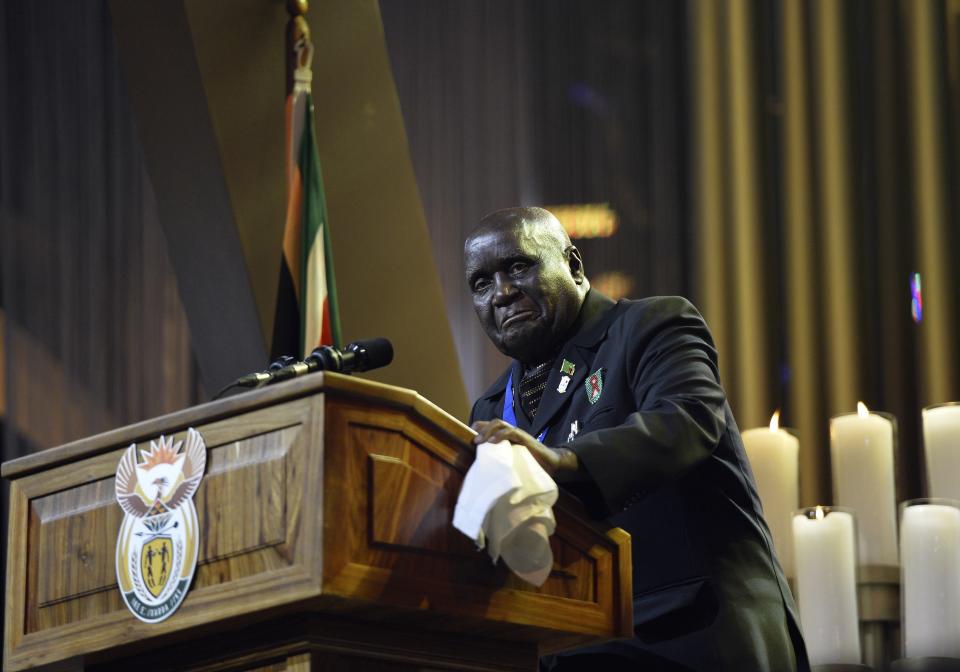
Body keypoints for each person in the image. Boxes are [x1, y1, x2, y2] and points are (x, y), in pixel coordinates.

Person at [464, 207, 809, 671]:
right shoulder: (489, 409)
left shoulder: (651, 326)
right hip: (571, 649)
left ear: (573, 264)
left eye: (519, 266)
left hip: (696, 636)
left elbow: (685, 421)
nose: (502, 292)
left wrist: (563, 461)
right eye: (482, 283)